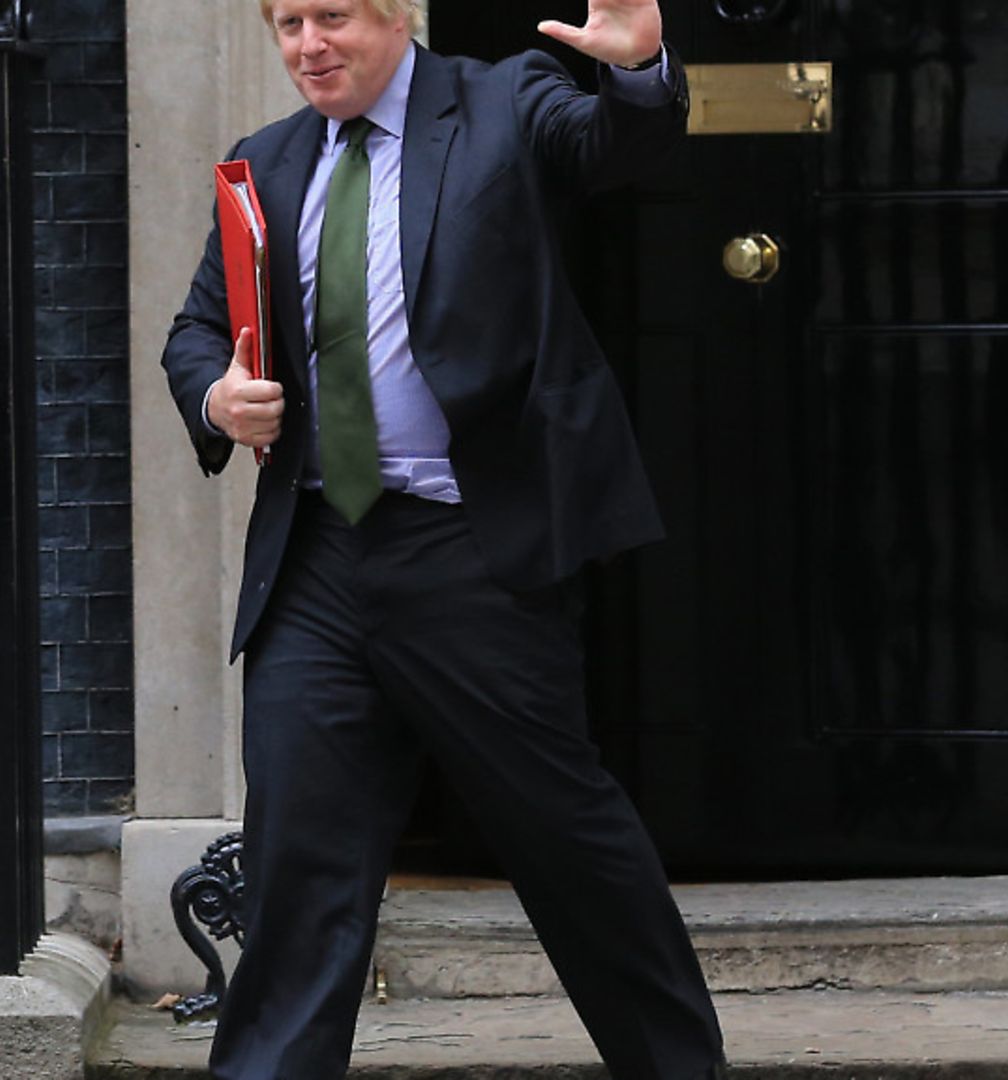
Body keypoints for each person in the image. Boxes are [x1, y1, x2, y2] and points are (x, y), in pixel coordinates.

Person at [158, 1, 725, 1076]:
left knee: (570, 851)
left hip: (470, 554)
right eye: (286, 25)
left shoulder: (503, 102)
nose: (307, 46)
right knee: (296, 871)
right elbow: (198, 327)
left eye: (331, 17)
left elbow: (619, 145)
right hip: (316, 557)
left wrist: (643, 66)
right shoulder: (264, 162)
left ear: (395, 17)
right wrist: (218, 397)